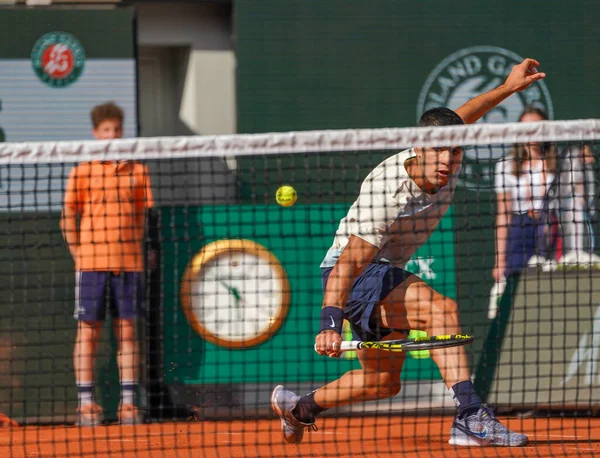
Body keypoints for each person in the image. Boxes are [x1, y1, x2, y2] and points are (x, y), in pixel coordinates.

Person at [272, 58, 546, 447]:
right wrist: (330, 322)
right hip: (355, 273)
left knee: (382, 382)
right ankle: (469, 416)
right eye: (440, 152)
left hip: (381, 272)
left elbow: (459, 117)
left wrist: (508, 88)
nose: (449, 162)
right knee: (441, 310)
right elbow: (349, 263)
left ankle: (299, 409)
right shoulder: (389, 191)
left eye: (456, 153)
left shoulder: (444, 149)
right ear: (419, 148)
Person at [60, 102, 154, 426]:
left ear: (121, 131)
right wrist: (79, 255)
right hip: (91, 264)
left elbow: (143, 215)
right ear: (95, 133)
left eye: (116, 130)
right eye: (106, 131)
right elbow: (67, 218)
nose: (112, 136)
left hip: (130, 265)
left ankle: (128, 404)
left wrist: (141, 251)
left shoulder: (138, 171)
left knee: (128, 334)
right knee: (88, 334)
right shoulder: (83, 170)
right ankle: (86, 404)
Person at [493, 107, 558, 282]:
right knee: (516, 285)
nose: (531, 132)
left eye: (536, 126)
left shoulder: (562, 163)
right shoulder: (505, 165)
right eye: (526, 127)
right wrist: (499, 260)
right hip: (519, 232)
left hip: (550, 230)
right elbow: (503, 214)